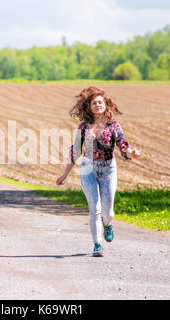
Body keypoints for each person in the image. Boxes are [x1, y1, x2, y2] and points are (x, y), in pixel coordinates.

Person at [56, 86, 140, 257]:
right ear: (89, 107)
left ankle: (108, 224)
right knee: (95, 209)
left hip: (109, 169)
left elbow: (122, 143)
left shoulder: (113, 125)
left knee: (107, 213)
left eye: (100, 102)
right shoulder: (83, 128)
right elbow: (76, 152)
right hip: (88, 170)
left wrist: (130, 152)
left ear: (106, 105)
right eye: (94, 103)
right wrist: (64, 175)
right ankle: (97, 245)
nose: (97, 105)